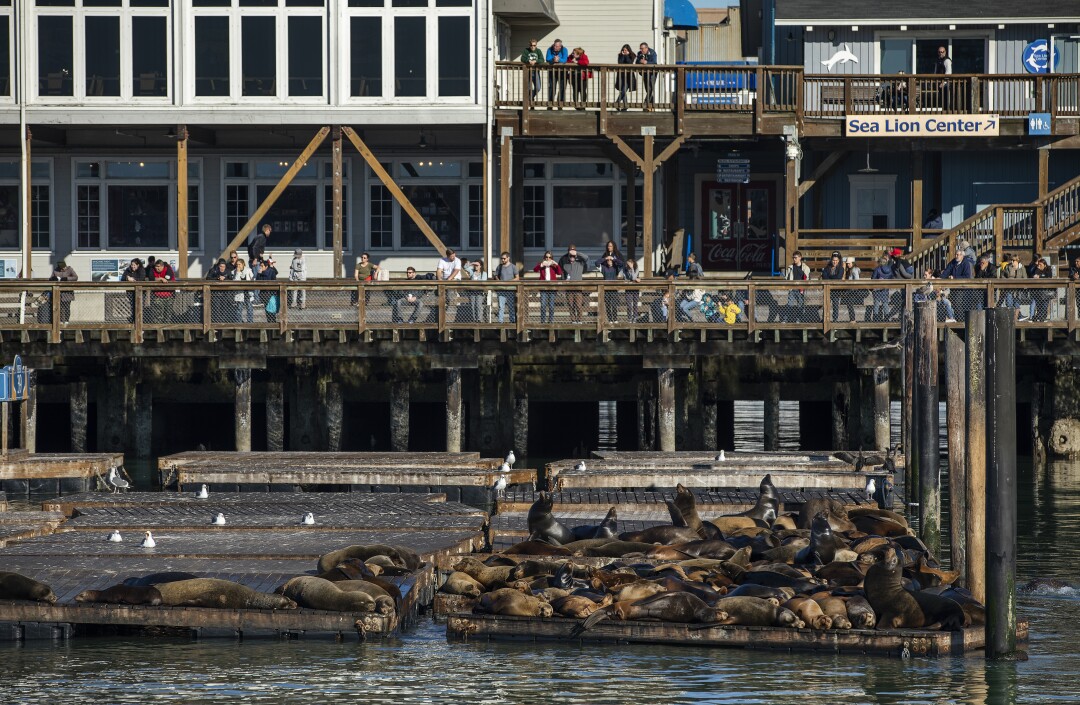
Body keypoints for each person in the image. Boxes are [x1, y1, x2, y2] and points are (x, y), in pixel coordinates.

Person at [558, 244, 589, 323]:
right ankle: (573, 320)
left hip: (578, 288)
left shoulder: (580, 263)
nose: (572, 257)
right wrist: (562, 286)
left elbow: (586, 258)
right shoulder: (565, 264)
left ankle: (579, 320)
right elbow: (562, 275)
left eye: (573, 255)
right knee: (571, 305)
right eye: (570, 255)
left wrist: (576, 253)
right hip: (568, 288)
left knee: (578, 305)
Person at [533, 251, 563, 323]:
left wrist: (556, 264)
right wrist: (541, 265)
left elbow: (559, 272)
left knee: (551, 305)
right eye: (546, 257)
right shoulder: (542, 264)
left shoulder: (553, 265)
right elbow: (535, 270)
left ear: (551, 258)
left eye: (549, 257)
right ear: (544, 257)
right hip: (543, 287)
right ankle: (543, 321)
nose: (548, 258)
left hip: (552, 287)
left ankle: (551, 320)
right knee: (543, 305)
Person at [998, 252, 1029, 316]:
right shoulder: (1007, 266)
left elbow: (1025, 277)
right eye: (1011, 260)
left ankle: (1017, 317)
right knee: (1009, 303)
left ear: (1017, 261)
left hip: (1017, 290)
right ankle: (1013, 317)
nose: (1012, 262)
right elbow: (1003, 275)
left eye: (1013, 260)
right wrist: (1007, 279)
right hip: (1008, 288)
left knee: (1016, 303)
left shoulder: (1021, 268)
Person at [783, 250, 811, 317]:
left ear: (800, 258)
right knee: (790, 304)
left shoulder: (805, 268)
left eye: (795, 257)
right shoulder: (791, 267)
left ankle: (799, 319)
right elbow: (786, 277)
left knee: (800, 305)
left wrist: (804, 287)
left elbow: (807, 278)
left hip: (801, 289)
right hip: (792, 289)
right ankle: (786, 319)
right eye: (793, 258)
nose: (794, 259)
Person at [493, 251, 518, 323]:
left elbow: (517, 278)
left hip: (510, 289)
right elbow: (496, 275)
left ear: (508, 258)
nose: (503, 260)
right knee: (501, 306)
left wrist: (509, 282)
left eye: (504, 258)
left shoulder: (513, 267)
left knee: (511, 306)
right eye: (502, 258)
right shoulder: (499, 266)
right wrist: (498, 280)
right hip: (501, 289)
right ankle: (500, 321)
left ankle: (512, 320)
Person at [598, 251, 624, 322]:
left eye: (610, 260)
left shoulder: (616, 268)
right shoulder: (603, 268)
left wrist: (613, 259)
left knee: (614, 304)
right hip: (606, 289)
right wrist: (605, 258)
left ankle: (615, 319)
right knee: (608, 305)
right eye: (608, 260)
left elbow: (622, 264)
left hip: (614, 289)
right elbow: (596, 263)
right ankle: (610, 320)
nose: (609, 261)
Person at [148, 258, 174, 323]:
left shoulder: (168, 269)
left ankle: (167, 331)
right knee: (158, 315)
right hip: (157, 295)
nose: (157, 268)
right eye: (156, 266)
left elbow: (169, 278)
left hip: (168, 295)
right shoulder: (152, 269)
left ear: (162, 266)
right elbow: (151, 278)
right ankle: (158, 331)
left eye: (159, 266)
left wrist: (161, 279)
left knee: (168, 315)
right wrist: (160, 279)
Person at [1029, 257, 1055, 322]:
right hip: (1038, 292)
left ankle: (1037, 317)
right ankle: (1041, 318)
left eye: (1041, 265)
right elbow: (1034, 276)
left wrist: (1040, 276)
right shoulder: (1037, 269)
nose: (1039, 266)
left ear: (1045, 265)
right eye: (1038, 264)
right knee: (1039, 306)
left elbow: (1049, 276)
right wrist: (1038, 269)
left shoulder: (1048, 269)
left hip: (1046, 292)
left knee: (1044, 306)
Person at [820, 250, 844, 322]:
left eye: (836, 260)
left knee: (835, 305)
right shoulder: (827, 268)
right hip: (828, 290)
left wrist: (829, 277)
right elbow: (824, 276)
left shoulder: (841, 268)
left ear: (839, 260)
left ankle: (835, 319)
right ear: (831, 260)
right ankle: (824, 318)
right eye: (833, 260)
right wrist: (832, 277)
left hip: (836, 290)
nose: (835, 262)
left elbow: (838, 278)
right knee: (826, 305)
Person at [870, 255, 895, 321]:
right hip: (885, 289)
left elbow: (873, 279)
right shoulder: (890, 269)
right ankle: (887, 318)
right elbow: (892, 278)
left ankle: (875, 319)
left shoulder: (877, 269)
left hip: (877, 289)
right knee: (885, 304)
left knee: (876, 304)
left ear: (880, 263)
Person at [255, 256, 279, 323]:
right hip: (264, 294)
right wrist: (258, 274)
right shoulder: (260, 273)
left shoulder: (271, 272)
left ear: (266, 267)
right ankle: (269, 322)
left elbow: (273, 280)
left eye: (262, 266)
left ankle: (273, 322)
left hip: (271, 294)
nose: (260, 267)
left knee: (272, 310)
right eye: (260, 266)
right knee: (267, 310)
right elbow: (257, 282)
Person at [546, 39, 568, 105]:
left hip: (562, 71)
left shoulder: (564, 49)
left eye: (557, 46)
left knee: (562, 88)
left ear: (560, 46)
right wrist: (553, 59)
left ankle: (560, 104)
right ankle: (550, 104)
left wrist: (558, 59)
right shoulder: (549, 49)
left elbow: (565, 60)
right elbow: (547, 59)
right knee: (552, 88)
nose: (555, 47)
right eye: (554, 45)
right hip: (552, 71)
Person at [636, 42, 658, 109]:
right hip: (644, 73)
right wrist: (640, 61)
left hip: (652, 73)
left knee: (650, 87)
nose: (641, 50)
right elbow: (636, 62)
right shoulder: (639, 53)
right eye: (640, 49)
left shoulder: (652, 52)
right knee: (647, 88)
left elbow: (654, 62)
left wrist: (646, 62)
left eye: (642, 48)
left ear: (646, 48)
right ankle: (651, 105)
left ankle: (645, 103)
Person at [615, 44, 636, 109]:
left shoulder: (632, 55)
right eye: (623, 50)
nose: (624, 51)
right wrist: (623, 56)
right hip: (621, 75)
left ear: (628, 50)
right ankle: (625, 107)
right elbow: (620, 63)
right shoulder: (620, 55)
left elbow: (630, 63)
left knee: (624, 90)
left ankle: (617, 103)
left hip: (629, 76)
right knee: (623, 90)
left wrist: (626, 56)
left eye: (626, 50)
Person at [233, 258, 254, 323]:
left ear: (243, 264)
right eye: (237, 265)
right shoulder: (234, 271)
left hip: (248, 292)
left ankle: (250, 322)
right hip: (240, 293)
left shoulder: (248, 270)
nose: (238, 266)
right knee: (239, 309)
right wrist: (238, 273)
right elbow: (235, 282)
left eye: (239, 264)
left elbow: (253, 279)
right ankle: (239, 322)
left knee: (250, 308)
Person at [842, 256, 862, 323]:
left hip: (853, 290)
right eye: (847, 263)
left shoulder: (854, 270)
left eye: (849, 263)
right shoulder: (850, 269)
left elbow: (857, 280)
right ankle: (852, 319)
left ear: (853, 263)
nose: (848, 265)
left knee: (850, 304)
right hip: (850, 289)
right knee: (849, 304)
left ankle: (853, 319)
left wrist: (853, 286)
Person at [933, 45, 953, 110]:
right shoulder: (937, 61)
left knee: (946, 98)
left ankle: (946, 111)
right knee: (941, 98)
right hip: (938, 83)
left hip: (946, 83)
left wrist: (943, 82)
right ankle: (942, 110)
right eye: (939, 52)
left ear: (945, 52)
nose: (941, 53)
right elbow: (935, 72)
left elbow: (948, 73)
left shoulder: (947, 60)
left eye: (942, 52)